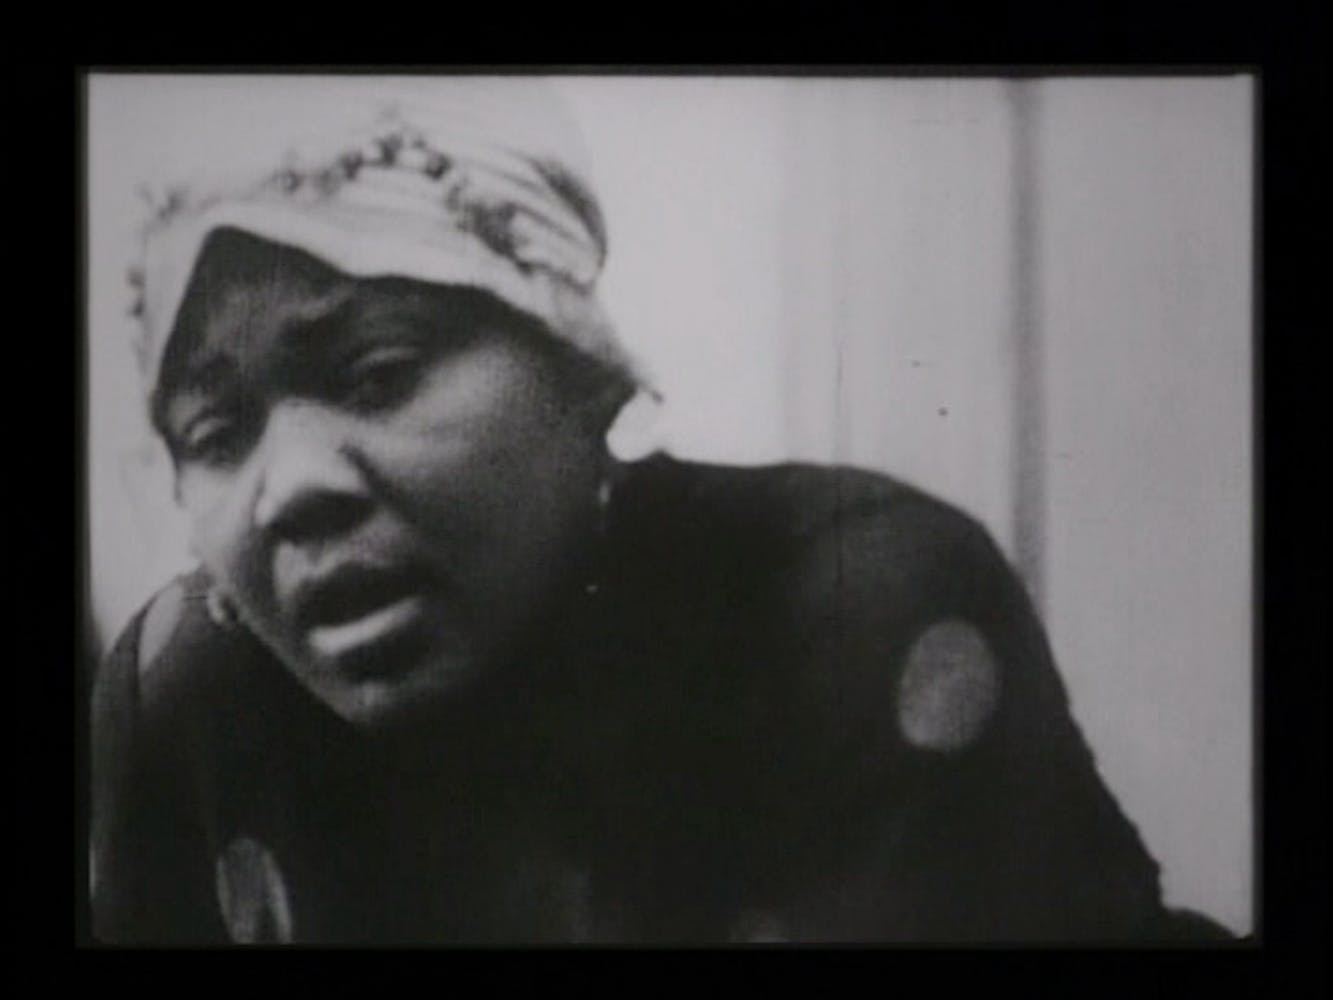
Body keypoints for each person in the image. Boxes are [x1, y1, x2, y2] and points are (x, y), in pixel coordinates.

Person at [90, 78, 1229, 944]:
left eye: (378, 373)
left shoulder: (843, 609)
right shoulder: (189, 694)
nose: (291, 487)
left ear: (584, 371)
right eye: (214, 435)